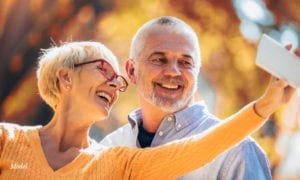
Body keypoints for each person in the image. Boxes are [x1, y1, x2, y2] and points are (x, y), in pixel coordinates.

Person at [0, 41, 294, 179]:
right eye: (104, 70)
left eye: (118, 81)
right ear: (66, 77)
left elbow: (198, 149)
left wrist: (265, 105)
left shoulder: (117, 162)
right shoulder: (6, 140)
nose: (114, 84)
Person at [100, 16, 299, 179]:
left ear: (197, 72)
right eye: (159, 59)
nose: (173, 72)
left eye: (186, 62)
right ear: (132, 70)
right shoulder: (109, 148)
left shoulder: (237, 152)